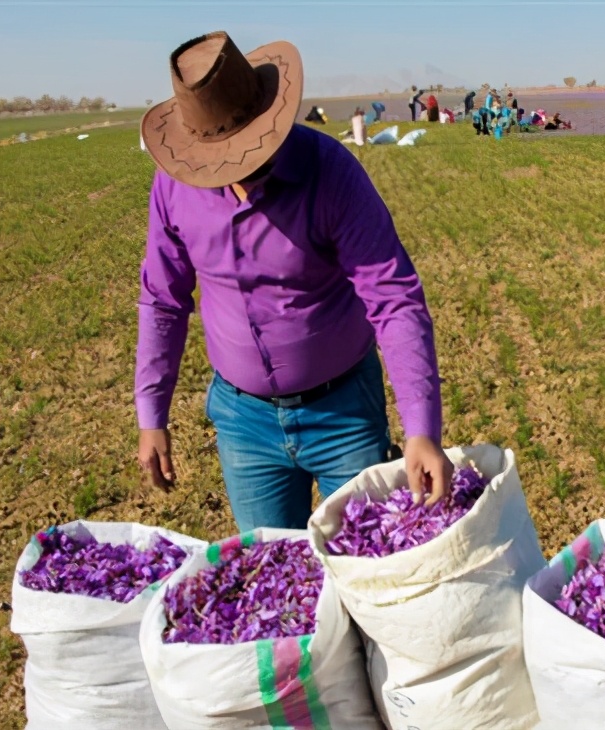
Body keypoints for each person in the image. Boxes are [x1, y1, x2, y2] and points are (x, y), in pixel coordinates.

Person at [137, 32, 452, 531]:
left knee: (361, 574)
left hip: (343, 414)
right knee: (273, 579)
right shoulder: (175, 187)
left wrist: (422, 429)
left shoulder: (331, 173)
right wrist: (151, 415)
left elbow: (393, 298)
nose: (241, 169)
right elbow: (162, 300)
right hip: (244, 426)